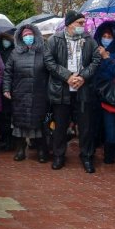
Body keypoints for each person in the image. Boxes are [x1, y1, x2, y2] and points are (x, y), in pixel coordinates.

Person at [44, 11, 102, 172]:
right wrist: (67, 76)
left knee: (86, 126)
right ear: (69, 24)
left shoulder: (89, 40)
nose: (83, 26)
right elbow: (49, 62)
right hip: (62, 89)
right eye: (80, 23)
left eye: (84, 23)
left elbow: (96, 61)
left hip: (83, 90)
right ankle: (58, 156)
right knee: (60, 126)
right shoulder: (54, 40)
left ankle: (87, 156)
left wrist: (82, 77)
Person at [3, 24, 51, 162]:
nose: (28, 37)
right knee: (19, 123)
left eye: (30, 35)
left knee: (40, 123)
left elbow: (50, 70)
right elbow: (8, 72)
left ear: (35, 36)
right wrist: (6, 89)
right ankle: (20, 150)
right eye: (25, 36)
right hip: (20, 94)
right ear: (20, 38)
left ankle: (42, 151)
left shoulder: (43, 51)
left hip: (39, 94)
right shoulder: (15, 53)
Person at [92, 21, 115, 164]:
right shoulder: (94, 50)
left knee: (110, 125)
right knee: (94, 125)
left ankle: (110, 154)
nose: (106, 38)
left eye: (109, 36)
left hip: (109, 95)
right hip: (94, 93)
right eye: (104, 35)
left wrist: (107, 58)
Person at [0, 30, 15, 149]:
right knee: (1, 115)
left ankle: (10, 139)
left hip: (11, 87)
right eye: (4, 40)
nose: (6, 42)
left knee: (9, 114)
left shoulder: (14, 52)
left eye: (7, 40)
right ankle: (3, 136)